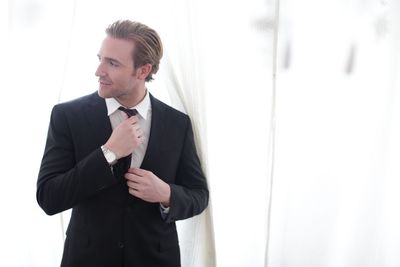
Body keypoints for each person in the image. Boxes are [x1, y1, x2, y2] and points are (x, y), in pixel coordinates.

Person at [37, 20, 209, 267]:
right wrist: (108, 153)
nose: (99, 71)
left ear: (143, 71)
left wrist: (166, 194)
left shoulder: (177, 123)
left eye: (112, 63)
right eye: (101, 58)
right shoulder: (67, 116)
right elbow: (49, 197)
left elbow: (199, 195)